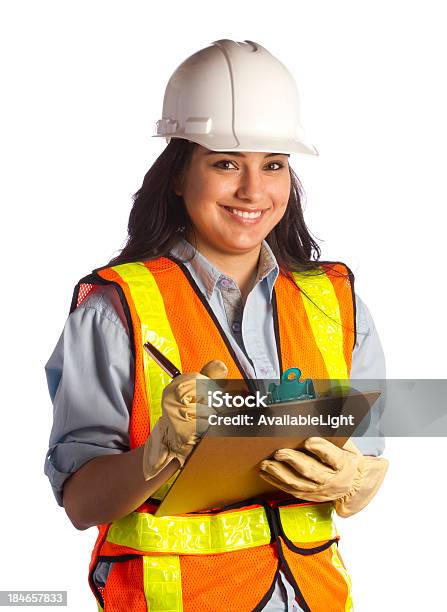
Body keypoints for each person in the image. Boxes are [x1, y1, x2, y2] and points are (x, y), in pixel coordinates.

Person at [44, 39, 389, 611]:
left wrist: (357, 481)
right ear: (178, 175)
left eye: (273, 164)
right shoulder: (116, 310)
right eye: (226, 163)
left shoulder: (333, 301)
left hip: (313, 596)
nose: (254, 191)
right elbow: (81, 503)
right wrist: (157, 454)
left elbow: (363, 454)